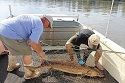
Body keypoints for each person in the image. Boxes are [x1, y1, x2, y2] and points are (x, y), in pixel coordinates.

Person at [0, 14, 53, 79]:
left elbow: (35, 40)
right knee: (27, 52)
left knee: (12, 46)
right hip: (10, 33)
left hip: (2, 27)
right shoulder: (39, 24)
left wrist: (36, 44)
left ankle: (12, 66)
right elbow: (33, 43)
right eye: (48, 25)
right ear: (45, 20)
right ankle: (29, 74)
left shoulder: (32, 19)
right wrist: (41, 53)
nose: (47, 27)